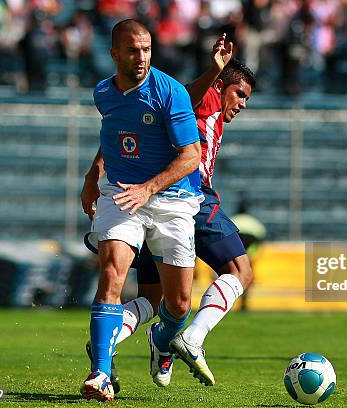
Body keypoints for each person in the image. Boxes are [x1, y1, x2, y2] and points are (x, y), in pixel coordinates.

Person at [82, 36, 256, 390]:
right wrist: (214, 71)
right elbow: (189, 96)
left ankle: (112, 341)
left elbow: (123, 130)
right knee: (241, 270)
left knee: (157, 299)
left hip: (154, 196)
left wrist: (96, 169)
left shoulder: (162, 101)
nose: (242, 104)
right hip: (188, 196)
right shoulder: (204, 96)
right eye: (239, 94)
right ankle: (183, 340)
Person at [78, 19, 202, 402]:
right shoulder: (104, 93)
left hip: (171, 200)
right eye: (133, 49)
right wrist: (93, 174)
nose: (142, 57)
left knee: (179, 304)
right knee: (112, 274)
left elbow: (191, 157)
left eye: (147, 48)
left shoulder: (170, 92)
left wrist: (148, 188)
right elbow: (111, 135)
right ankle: (100, 372)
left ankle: (161, 338)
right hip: (121, 195)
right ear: (115, 53)